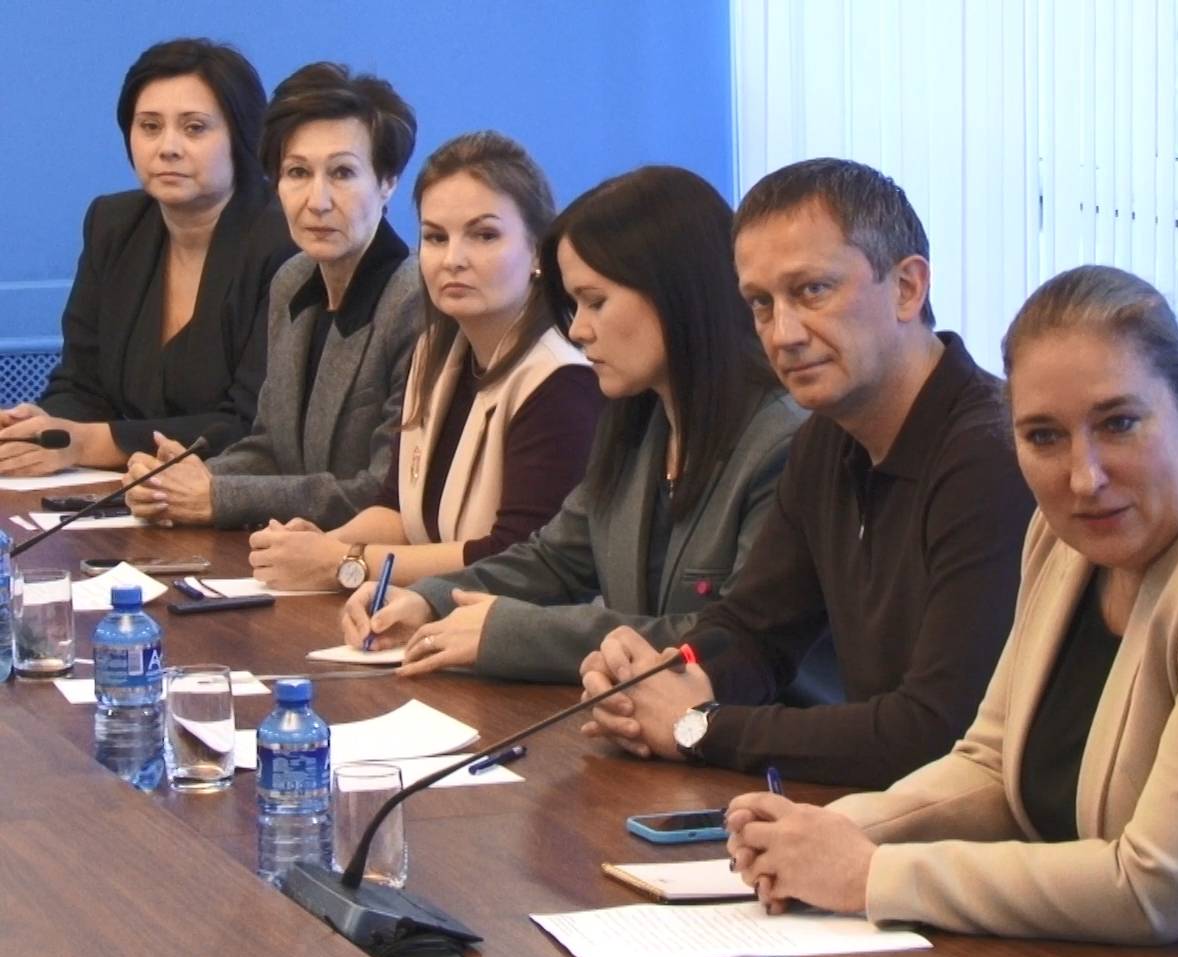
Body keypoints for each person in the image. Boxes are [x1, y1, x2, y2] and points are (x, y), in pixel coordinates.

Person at [722, 265, 1178, 957]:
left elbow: (1157, 886)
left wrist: (872, 875)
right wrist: (830, 831)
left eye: (1118, 424)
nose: (1084, 477)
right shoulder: (1064, 537)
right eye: (1044, 437)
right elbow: (992, 767)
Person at [578, 157, 1032, 788]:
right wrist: (657, 681)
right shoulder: (827, 436)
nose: (783, 334)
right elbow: (754, 631)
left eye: (812, 291)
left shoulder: (994, 453)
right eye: (761, 304)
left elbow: (937, 729)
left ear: (907, 288)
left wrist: (697, 726)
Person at [336, 165, 812, 684]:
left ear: (675, 292)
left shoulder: (783, 442)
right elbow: (554, 560)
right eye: (575, 304)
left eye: (596, 302)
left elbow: (727, 640)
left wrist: (512, 633)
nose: (580, 330)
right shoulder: (637, 421)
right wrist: (428, 601)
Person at [245, 131, 600, 592]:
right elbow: (397, 509)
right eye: (435, 237)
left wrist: (344, 561)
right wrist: (318, 546)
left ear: (536, 250)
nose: (453, 259)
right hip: (431, 613)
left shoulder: (563, 380)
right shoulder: (436, 350)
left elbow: (516, 558)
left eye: (484, 235)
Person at [123, 62, 423, 530]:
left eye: (343, 173)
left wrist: (216, 495)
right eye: (297, 172)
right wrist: (177, 482)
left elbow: (383, 489)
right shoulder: (292, 280)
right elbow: (270, 448)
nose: (317, 201)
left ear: (388, 182)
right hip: (289, 550)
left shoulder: (414, 300)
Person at [0, 38, 294, 476]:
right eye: (150, 126)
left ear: (242, 136)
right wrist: (39, 428)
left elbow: (251, 425)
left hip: (235, 494)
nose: (168, 147)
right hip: (127, 488)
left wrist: (87, 442)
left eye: (194, 128)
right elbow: (81, 387)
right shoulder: (113, 225)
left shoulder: (284, 240)